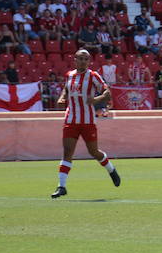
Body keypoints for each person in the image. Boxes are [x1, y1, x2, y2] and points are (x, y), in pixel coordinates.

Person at [51, 48, 121, 198]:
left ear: (89, 62)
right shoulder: (70, 75)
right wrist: (62, 97)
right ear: (75, 59)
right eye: (80, 58)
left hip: (88, 120)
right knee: (67, 152)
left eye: (86, 59)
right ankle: (61, 186)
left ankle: (111, 170)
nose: (83, 61)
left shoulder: (93, 76)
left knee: (93, 152)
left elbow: (107, 92)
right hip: (70, 119)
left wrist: (96, 100)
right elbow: (66, 89)